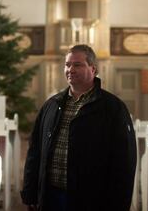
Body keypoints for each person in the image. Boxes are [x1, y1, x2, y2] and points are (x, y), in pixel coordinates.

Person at [20, 44, 137, 211]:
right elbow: (35, 152)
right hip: (51, 195)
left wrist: (118, 204)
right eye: (67, 65)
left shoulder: (113, 108)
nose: (70, 69)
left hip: (91, 198)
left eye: (77, 65)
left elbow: (124, 162)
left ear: (93, 69)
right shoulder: (52, 105)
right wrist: (30, 193)